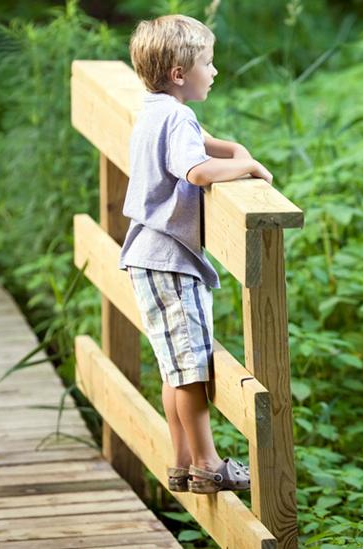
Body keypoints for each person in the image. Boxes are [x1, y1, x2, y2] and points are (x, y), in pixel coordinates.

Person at [118, 14, 273, 494]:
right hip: (170, 258)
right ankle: (208, 463)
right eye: (208, 62)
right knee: (191, 370)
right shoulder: (176, 115)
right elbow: (195, 170)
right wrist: (245, 166)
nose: (216, 70)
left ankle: (182, 461)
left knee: (174, 365)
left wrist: (231, 147)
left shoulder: (155, 110)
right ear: (180, 74)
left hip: (148, 254)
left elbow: (202, 145)